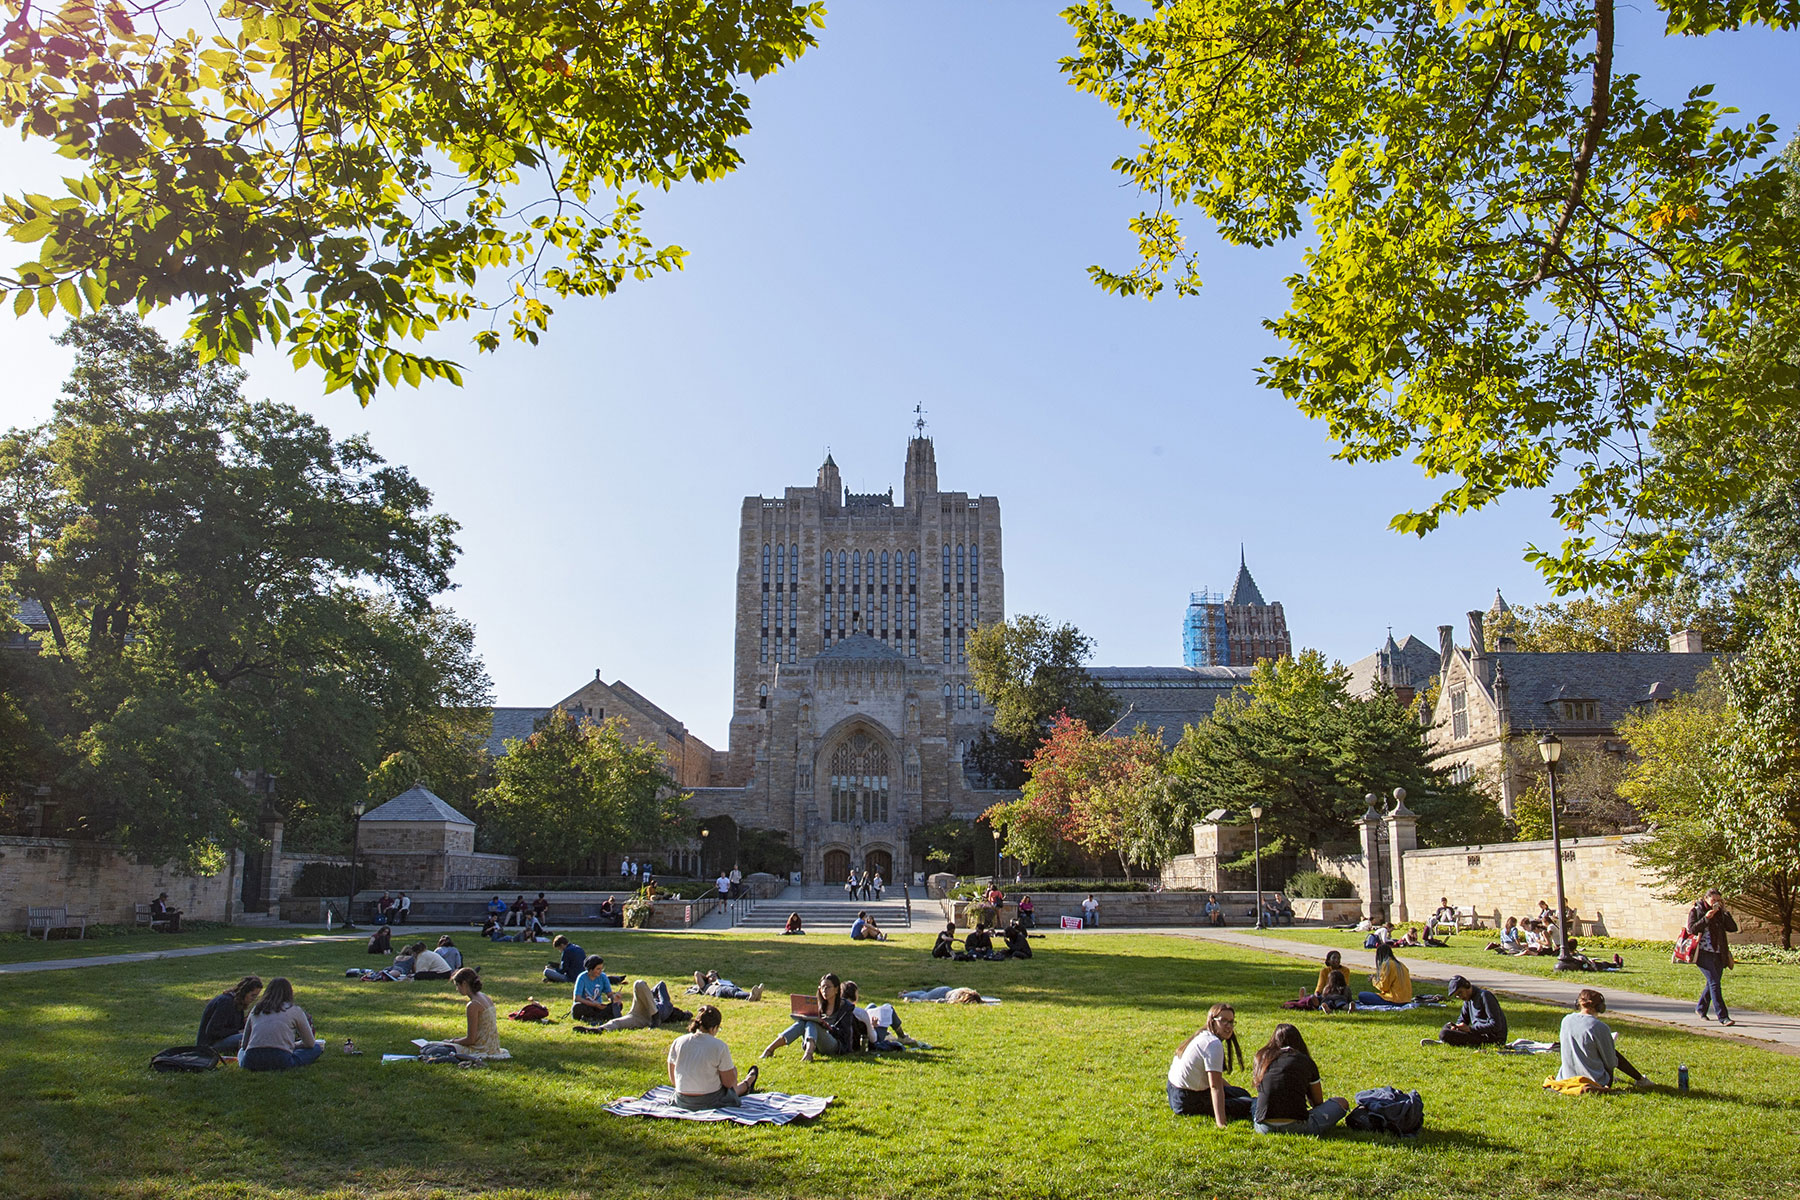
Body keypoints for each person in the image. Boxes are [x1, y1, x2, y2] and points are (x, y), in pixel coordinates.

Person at [1251, 1024, 1348, 1135]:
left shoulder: (1262, 1059)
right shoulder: (1305, 1061)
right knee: (1342, 1102)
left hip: (1264, 1127)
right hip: (1298, 1126)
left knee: (1255, 1101)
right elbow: (1317, 1102)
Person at [1167, 1002, 1254, 1125]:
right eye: (1223, 1021)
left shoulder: (1203, 1034)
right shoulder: (1213, 1044)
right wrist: (1221, 1123)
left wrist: (1233, 1091)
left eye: (1231, 1022)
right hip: (1187, 1101)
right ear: (1212, 1021)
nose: (1228, 1026)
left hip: (1174, 1093)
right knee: (1249, 1103)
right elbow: (1215, 1087)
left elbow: (1215, 1078)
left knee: (1242, 1094)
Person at [667, 1004, 761, 1109]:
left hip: (681, 1100)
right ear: (714, 1028)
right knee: (731, 1084)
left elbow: (673, 1078)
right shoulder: (719, 1046)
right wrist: (733, 1072)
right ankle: (747, 1083)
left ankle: (747, 1083)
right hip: (710, 1101)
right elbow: (729, 1083)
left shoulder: (678, 1042)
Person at [1557, 988, 1648, 1088]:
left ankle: (1640, 1079)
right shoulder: (1599, 1027)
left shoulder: (1566, 1020)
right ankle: (1640, 1080)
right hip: (1595, 1082)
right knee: (1613, 1053)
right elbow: (1611, 1062)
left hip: (1566, 1078)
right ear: (1600, 1007)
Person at [760, 973, 850, 1062]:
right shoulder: (818, 1005)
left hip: (833, 1044)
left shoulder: (845, 1008)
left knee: (812, 1022)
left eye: (828, 987)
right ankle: (770, 1049)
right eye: (822, 987)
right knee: (803, 1022)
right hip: (815, 1042)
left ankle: (808, 1053)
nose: (824, 990)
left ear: (836, 989)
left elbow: (845, 1034)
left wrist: (828, 1027)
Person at [239, 977, 324, 1071]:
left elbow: (244, 1044)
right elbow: (310, 1043)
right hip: (280, 1059)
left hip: (251, 1060)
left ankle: (243, 1063)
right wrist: (293, 1045)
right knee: (316, 1048)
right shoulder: (294, 1010)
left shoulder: (256, 1009)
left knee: (241, 1051)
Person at [1688, 887, 1739, 1026]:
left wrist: (1725, 911)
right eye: (1713, 900)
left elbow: (1733, 928)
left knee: (1712, 983)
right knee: (1714, 983)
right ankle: (1723, 1017)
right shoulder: (1697, 910)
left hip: (1719, 952)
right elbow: (1692, 929)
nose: (1715, 902)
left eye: (1718, 900)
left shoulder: (1721, 913)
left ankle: (1701, 1008)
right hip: (1703, 953)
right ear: (1706, 899)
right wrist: (1706, 918)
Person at [1428, 974, 1507, 1047]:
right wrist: (1456, 1027)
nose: (1460, 997)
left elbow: (1496, 1026)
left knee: (1445, 1033)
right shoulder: (1468, 1000)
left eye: (1460, 993)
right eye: (1457, 996)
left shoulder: (1485, 996)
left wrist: (1471, 1029)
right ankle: (1447, 1040)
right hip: (1477, 1033)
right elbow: (1462, 1019)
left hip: (1491, 1038)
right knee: (1447, 1026)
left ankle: (1446, 1041)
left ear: (1467, 985)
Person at [441, 966, 501, 1055]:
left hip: (481, 1049)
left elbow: (471, 1040)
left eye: (457, 985)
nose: (457, 989)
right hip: (492, 1047)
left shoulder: (473, 1005)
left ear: (464, 984)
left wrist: (452, 1041)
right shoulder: (485, 997)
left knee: (434, 1046)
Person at [583, 978, 678, 1033]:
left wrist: (652, 997)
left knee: (639, 983)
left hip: (652, 1015)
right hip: (638, 1013)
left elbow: (661, 985)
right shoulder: (648, 997)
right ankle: (599, 1029)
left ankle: (655, 1017)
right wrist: (649, 995)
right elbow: (659, 985)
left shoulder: (666, 1005)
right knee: (616, 1022)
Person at [197, 975, 263, 1053]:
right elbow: (213, 1031)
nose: (253, 999)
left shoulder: (237, 1003)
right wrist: (237, 1031)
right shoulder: (226, 1002)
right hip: (209, 1044)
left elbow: (235, 1025)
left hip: (220, 1040)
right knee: (247, 1037)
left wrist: (246, 1022)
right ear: (244, 992)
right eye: (252, 996)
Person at [1356, 942, 1413, 1008]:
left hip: (1394, 1000)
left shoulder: (1387, 965)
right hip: (1406, 999)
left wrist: (1374, 980)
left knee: (1362, 995)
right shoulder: (1401, 965)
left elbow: (1384, 986)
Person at [572, 955, 616, 1022]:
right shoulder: (582, 977)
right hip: (586, 1006)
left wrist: (614, 998)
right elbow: (577, 998)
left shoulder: (603, 977)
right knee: (577, 1007)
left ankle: (593, 1018)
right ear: (590, 969)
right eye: (598, 969)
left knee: (617, 1005)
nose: (600, 971)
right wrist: (593, 1004)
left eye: (601, 969)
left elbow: (609, 994)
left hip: (598, 1007)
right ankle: (600, 1017)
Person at [690, 970, 765, 1001]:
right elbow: (697, 973)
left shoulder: (723, 981)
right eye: (710, 976)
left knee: (736, 990)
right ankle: (750, 995)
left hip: (729, 987)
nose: (713, 976)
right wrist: (707, 979)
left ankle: (755, 995)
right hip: (718, 990)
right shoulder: (705, 986)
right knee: (733, 992)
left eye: (715, 975)